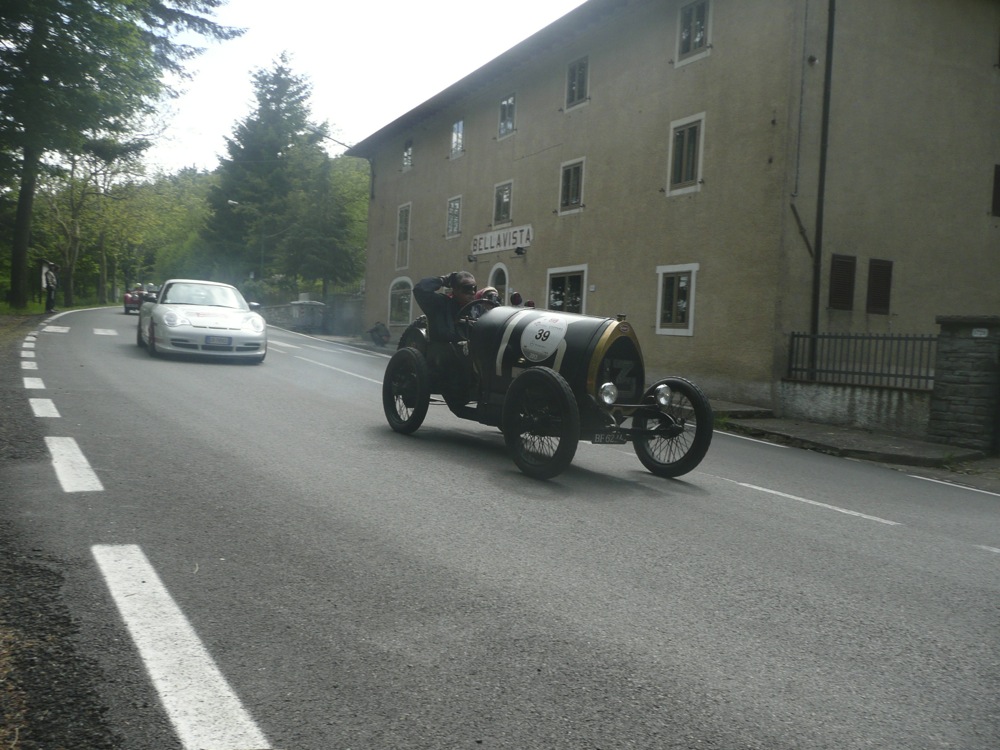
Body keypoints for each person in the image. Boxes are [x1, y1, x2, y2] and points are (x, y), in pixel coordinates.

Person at [413, 270, 477, 343]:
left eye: (474, 288)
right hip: (442, 348)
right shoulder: (441, 304)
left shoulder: (478, 309)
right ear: (455, 290)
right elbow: (419, 289)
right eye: (467, 288)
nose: (472, 292)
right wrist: (443, 280)